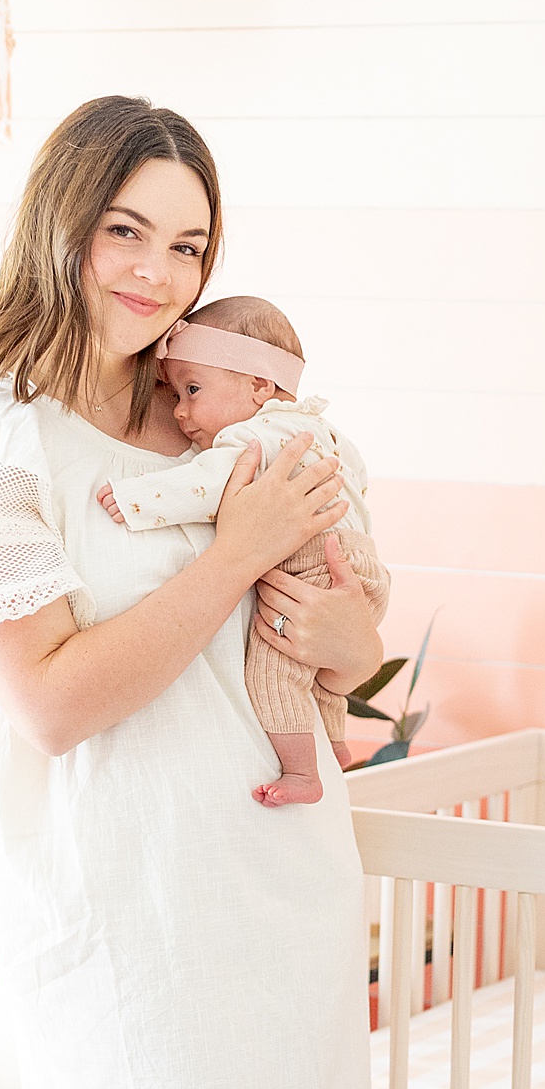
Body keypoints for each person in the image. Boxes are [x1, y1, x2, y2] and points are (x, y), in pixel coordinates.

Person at [0, 96, 381, 1089]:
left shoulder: (224, 421)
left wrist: (350, 642)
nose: (156, 275)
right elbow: (50, 705)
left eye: (187, 246)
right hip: (125, 927)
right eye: (125, 231)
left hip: (288, 894)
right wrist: (232, 554)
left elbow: (334, 639)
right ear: (60, 226)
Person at [97, 295, 391, 806]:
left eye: (192, 389)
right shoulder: (324, 431)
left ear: (258, 385)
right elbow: (358, 481)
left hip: (312, 562)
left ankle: (302, 773)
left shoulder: (253, 437)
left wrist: (137, 499)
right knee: (313, 676)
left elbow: (207, 484)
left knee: (274, 671)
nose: (182, 410)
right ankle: (334, 744)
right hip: (359, 562)